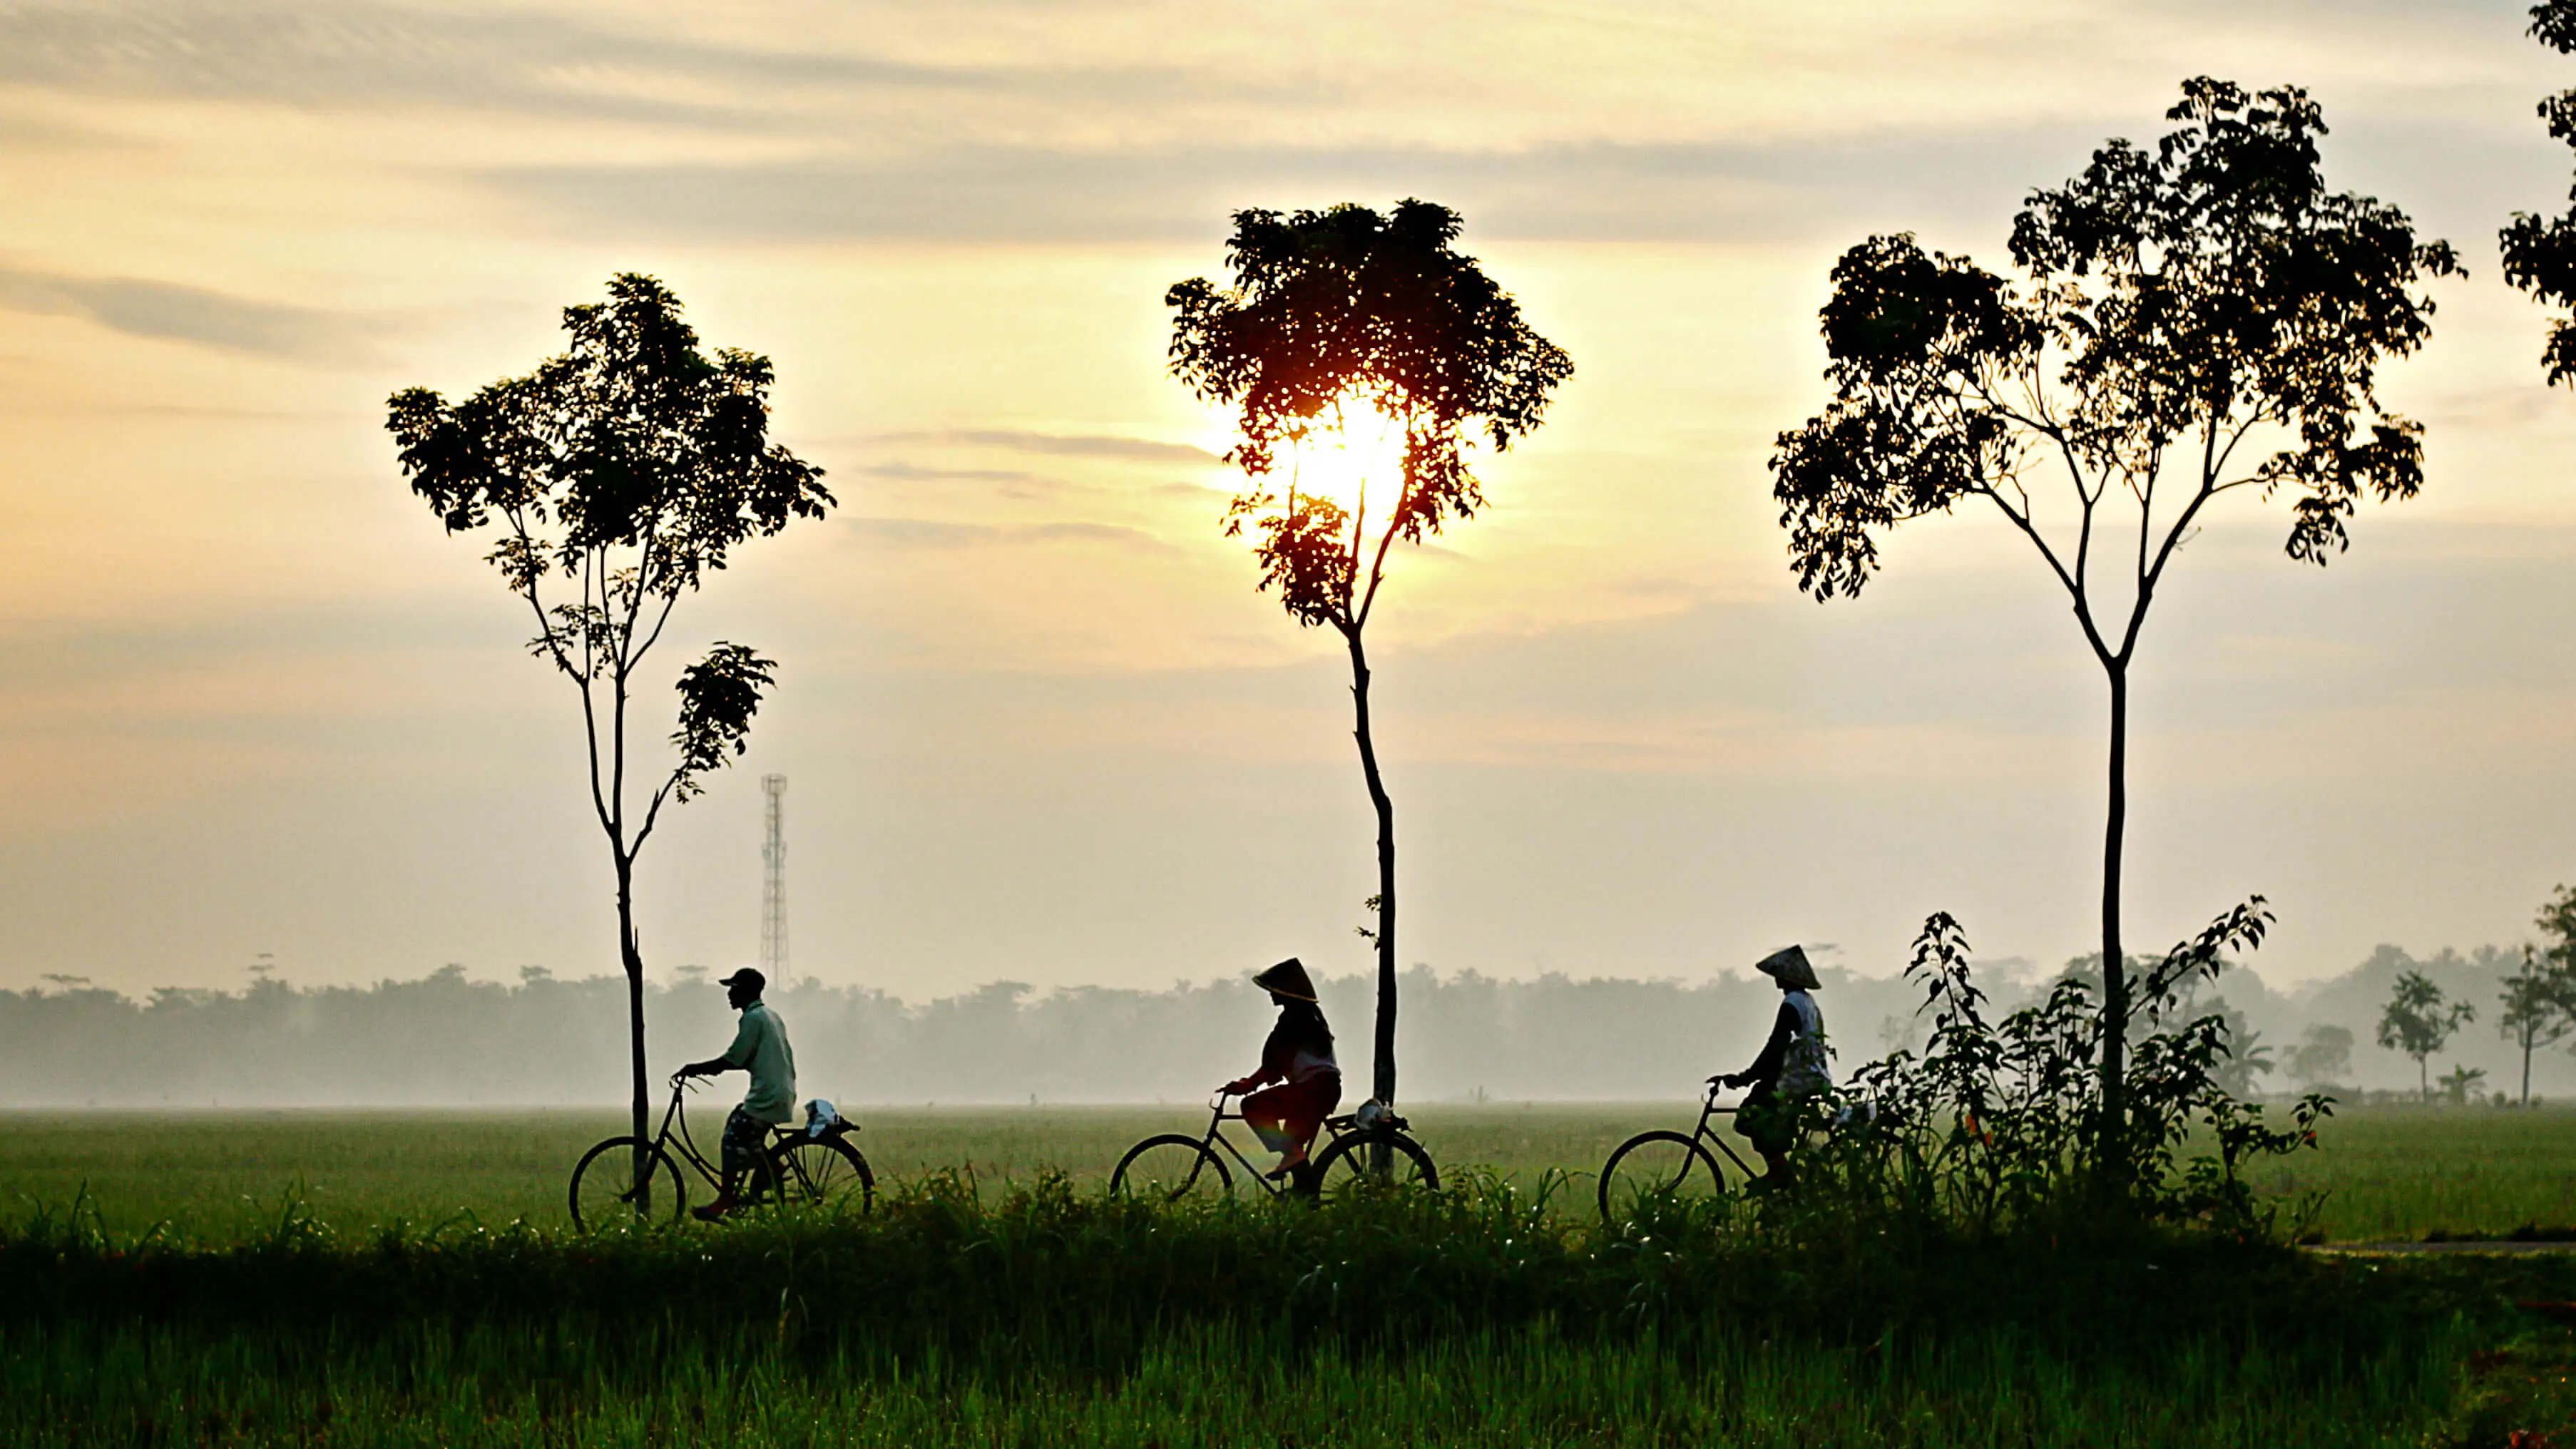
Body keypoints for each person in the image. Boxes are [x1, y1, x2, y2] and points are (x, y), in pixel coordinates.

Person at [675, 966, 797, 1222]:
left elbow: (735, 1058)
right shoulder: (769, 1015)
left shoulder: (753, 1019)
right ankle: (770, 1165)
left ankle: (726, 1198)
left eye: (734, 989)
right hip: (779, 1092)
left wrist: (696, 1069)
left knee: (731, 1140)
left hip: (767, 1096)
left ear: (746, 993)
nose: (730, 994)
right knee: (739, 1122)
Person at [1712, 944, 1828, 1190]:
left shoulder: (1792, 1003)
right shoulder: (1808, 1003)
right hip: (1812, 1076)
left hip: (1796, 1079)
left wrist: (1746, 1078)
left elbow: (1776, 1047)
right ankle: (1785, 1178)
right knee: (1768, 1118)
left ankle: (1779, 1173)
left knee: (1750, 1115)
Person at [1220, 958, 1341, 1189]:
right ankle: (1305, 1200)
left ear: (1287, 991)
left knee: (1252, 1107)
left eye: (1274, 989)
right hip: (1318, 1089)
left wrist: (1248, 1085)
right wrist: (1252, 1081)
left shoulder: (1296, 1018)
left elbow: (1275, 1061)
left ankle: (1297, 1166)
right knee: (1293, 1150)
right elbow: (1277, 1062)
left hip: (1314, 1090)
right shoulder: (1308, 1015)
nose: (1271, 994)